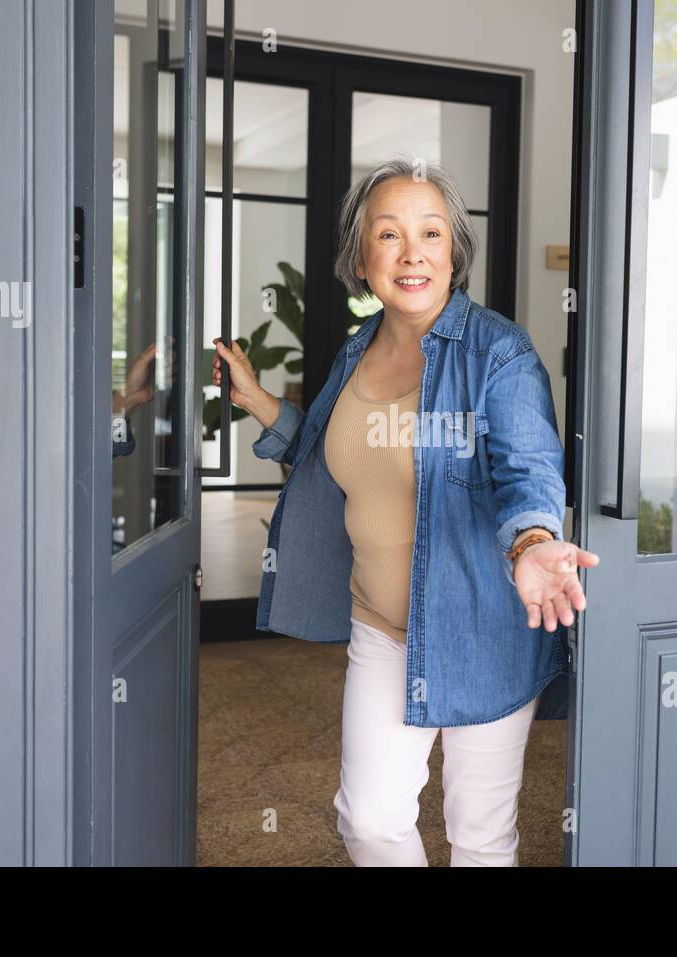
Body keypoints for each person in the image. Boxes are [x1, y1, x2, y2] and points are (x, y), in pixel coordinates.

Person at [212, 156, 599, 867]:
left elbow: (527, 468)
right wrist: (259, 402)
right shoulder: (357, 350)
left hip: (482, 622)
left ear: (455, 251)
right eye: (389, 234)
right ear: (362, 257)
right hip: (381, 626)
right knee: (368, 819)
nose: (412, 251)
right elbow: (342, 458)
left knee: (479, 836)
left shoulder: (499, 354)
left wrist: (535, 539)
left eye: (431, 232)